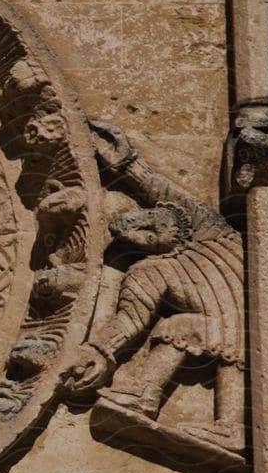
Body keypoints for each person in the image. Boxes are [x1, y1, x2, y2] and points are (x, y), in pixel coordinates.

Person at [60, 123, 244, 449]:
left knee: (231, 345)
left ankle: (231, 425)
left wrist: (128, 165)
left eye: (147, 226)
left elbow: (159, 189)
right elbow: (132, 318)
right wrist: (101, 351)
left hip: (251, 318)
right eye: (141, 240)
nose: (147, 237)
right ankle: (143, 395)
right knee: (179, 326)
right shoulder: (152, 271)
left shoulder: (202, 227)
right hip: (218, 326)